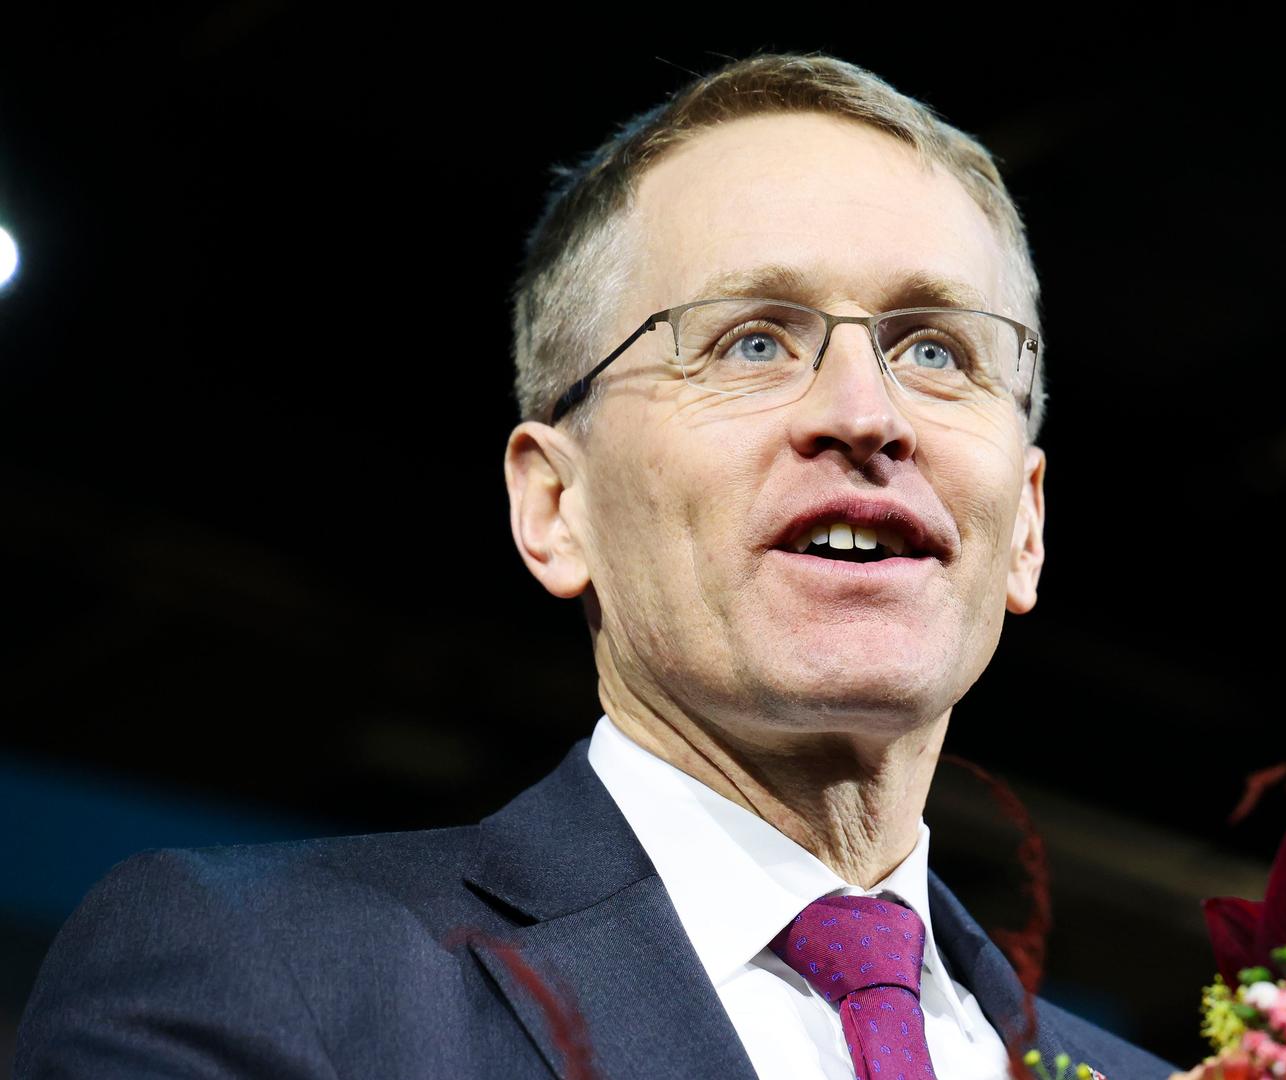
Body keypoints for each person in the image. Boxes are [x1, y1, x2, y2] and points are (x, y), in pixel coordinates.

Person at [14, 52, 1180, 1080]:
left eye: (937, 348)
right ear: (555, 503)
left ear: (1025, 522)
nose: (866, 415)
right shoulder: (260, 973)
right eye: (752, 340)